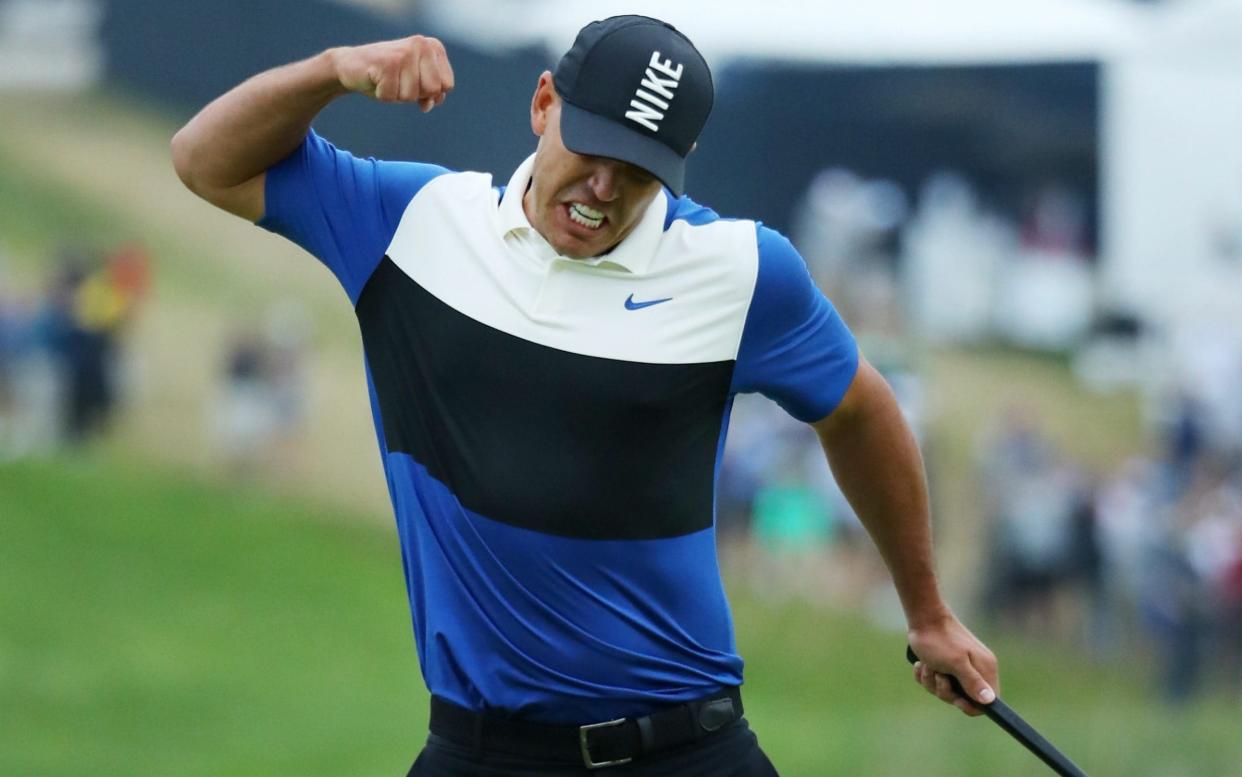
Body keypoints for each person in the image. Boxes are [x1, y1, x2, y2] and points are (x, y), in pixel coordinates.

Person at [171, 15, 999, 776]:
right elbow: (204, 160)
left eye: (639, 169)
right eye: (592, 148)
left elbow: (860, 407)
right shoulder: (411, 222)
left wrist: (926, 611)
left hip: (685, 750)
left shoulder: (742, 272)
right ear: (542, 104)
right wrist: (331, 71)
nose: (604, 187)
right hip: (478, 751)